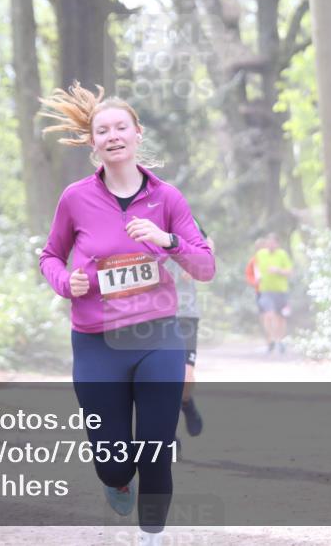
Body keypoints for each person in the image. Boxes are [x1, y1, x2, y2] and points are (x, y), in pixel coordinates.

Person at [37, 82, 215, 544]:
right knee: (113, 463)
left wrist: (167, 241)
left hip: (157, 336)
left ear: (137, 134)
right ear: (93, 143)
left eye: (121, 127)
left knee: (155, 448)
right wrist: (66, 283)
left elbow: (205, 267)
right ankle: (117, 480)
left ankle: (151, 535)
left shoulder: (167, 198)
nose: (113, 135)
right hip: (96, 342)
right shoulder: (75, 198)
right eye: (103, 130)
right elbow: (50, 256)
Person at [169, 219, 212, 439]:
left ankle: (186, 402)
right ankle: (167, 433)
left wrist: (196, 264)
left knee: (185, 377)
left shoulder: (185, 218)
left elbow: (208, 244)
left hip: (185, 311)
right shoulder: (135, 219)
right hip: (151, 313)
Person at [254, 233, 292, 354]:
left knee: (280, 317)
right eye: (268, 242)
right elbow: (256, 267)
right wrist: (257, 276)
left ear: (277, 244)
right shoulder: (260, 254)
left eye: (273, 243)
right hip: (265, 290)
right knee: (268, 315)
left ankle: (280, 340)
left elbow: (290, 271)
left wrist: (278, 270)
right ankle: (271, 340)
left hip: (281, 290)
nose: (270, 245)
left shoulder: (282, 254)